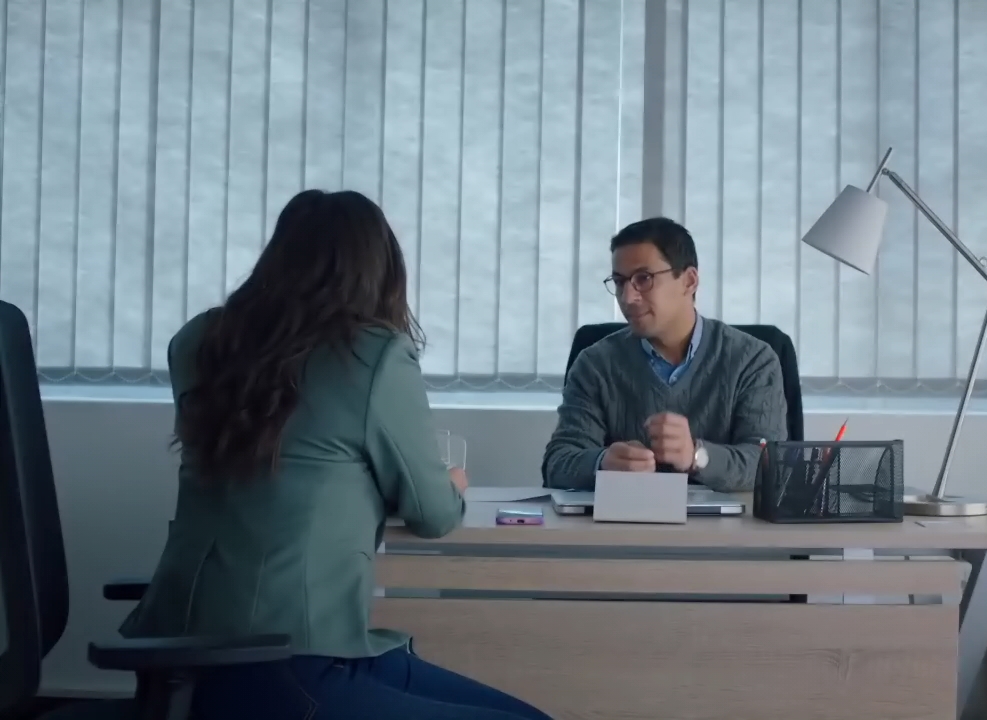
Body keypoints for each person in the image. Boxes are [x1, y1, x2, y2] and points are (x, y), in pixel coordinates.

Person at [120, 190, 552, 720]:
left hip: (181, 656)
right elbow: (433, 514)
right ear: (379, 269)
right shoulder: (373, 355)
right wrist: (453, 485)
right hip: (287, 661)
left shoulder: (196, 342)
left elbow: (285, 463)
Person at [541, 217, 788, 492]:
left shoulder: (753, 360)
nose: (627, 298)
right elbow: (557, 464)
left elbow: (768, 466)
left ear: (689, 281)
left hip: (725, 520)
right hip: (625, 519)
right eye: (620, 282)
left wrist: (696, 456)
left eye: (643, 279)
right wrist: (602, 462)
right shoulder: (595, 364)